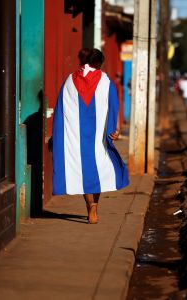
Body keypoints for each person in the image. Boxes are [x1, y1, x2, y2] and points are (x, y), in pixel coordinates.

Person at [51, 48, 130, 224]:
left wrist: (58, 134)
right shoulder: (105, 81)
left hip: (76, 136)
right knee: (99, 168)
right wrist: (114, 129)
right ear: (100, 63)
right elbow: (113, 105)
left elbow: (61, 108)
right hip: (98, 135)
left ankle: (89, 207)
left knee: (83, 170)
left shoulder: (70, 80)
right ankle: (95, 206)